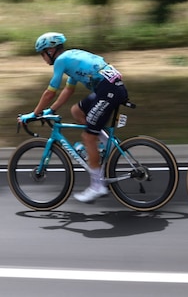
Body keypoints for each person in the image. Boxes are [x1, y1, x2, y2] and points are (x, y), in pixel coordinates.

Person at [18, 32, 128, 203]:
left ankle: (97, 186)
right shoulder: (71, 58)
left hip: (109, 90)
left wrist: (34, 114)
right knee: (77, 111)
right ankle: (107, 144)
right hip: (109, 88)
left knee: (88, 137)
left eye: (42, 53)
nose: (43, 58)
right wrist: (49, 110)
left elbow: (50, 92)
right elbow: (68, 90)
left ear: (51, 50)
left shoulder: (61, 61)